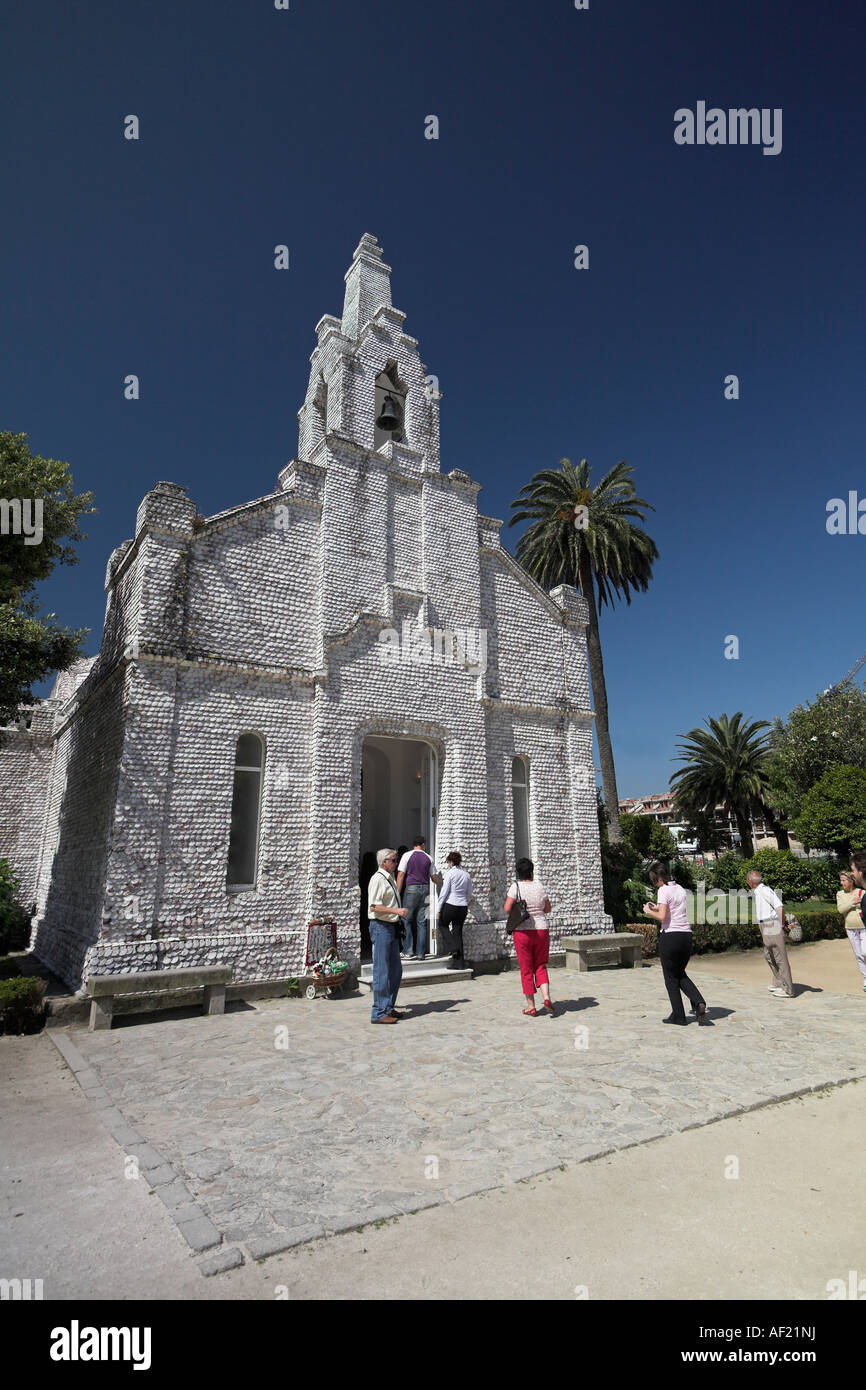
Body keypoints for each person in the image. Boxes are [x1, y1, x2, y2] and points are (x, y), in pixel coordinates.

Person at [643, 861, 707, 1024]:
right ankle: (698, 1002)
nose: (655, 884)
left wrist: (649, 911)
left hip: (670, 936)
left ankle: (679, 1016)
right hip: (685, 936)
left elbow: (663, 917)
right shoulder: (679, 888)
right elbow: (672, 908)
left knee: (671, 978)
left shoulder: (663, 890)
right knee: (679, 974)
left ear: (658, 878)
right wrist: (656, 907)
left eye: (654, 880)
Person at [504, 857, 555, 1016]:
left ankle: (531, 1006)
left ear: (518, 873)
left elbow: (507, 908)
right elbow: (547, 909)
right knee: (540, 965)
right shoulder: (539, 886)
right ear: (532, 872)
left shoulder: (515, 887)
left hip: (522, 932)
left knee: (526, 969)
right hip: (541, 930)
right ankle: (546, 997)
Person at [367, 848, 408, 1024]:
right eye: (393, 859)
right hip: (381, 927)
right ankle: (379, 1012)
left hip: (391, 927)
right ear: (384, 862)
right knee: (382, 971)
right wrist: (396, 910)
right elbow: (374, 906)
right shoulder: (377, 879)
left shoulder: (388, 877)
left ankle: (388, 1007)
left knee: (395, 970)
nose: (396, 862)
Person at [746, 868, 794, 999]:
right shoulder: (759, 891)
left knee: (779, 956)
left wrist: (782, 924)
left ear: (750, 881)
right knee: (768, 955)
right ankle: (779, 982)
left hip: (771, 924)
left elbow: (779, 907)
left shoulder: (765, 890)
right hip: (765, 924)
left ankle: (788, 989)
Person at [396, 836, 441, 960]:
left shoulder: (407, 855)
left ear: (414, 844)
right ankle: (421, 953)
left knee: (406, 919)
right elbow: (434, 878)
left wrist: (397, 892)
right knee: (421, 922)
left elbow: (400, 874)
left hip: (411, 889)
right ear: (423, 844)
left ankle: (408, 951)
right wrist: (440, 879)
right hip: (425, 889)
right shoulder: (428, 857)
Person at [436, 851, 473, 970]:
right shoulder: (466, 874)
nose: (448, 864)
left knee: (442, 924)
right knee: (457, 932)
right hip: (463, 906)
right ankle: (459, 963)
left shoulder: (450, 874)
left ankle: (452, 947)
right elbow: (469, 892)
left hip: (451, 904)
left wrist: (438, 907)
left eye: (448, 862)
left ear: (451, 862)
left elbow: (444, 892)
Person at [836, 870, 866, 991]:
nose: (842, 883)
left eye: (844, 880)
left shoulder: (862, 892)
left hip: (864, 927)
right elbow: (841, 909)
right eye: (841, 880)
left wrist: (857, 904)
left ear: (851, 881)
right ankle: (865, 979)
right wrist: (853, 903)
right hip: (850, 928)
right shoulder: (840, 894)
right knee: (859, 955)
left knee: (865, 952)